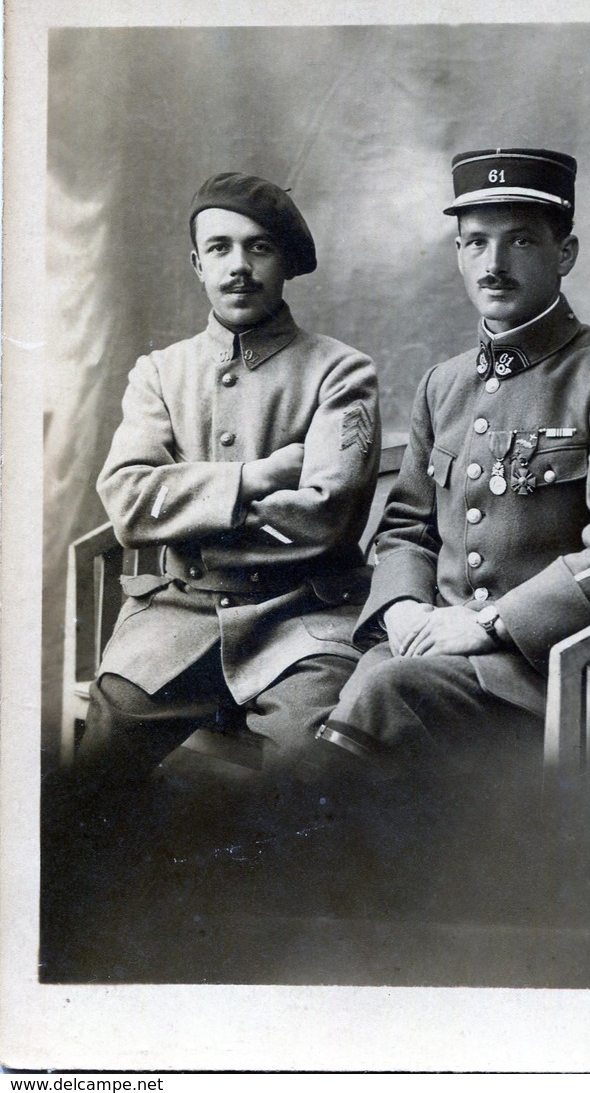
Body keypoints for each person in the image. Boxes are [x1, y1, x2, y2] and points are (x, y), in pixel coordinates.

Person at [314, 147, 590, 784]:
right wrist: (404, 607)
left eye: (519, 241)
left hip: (546, 679)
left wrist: (491, 622)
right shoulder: (445, 384)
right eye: (474, 243)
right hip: (427, 657)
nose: (493, 265)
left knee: (377, 706)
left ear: (563, 254)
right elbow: (406, 528)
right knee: (327, 699)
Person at [57, 171, 381, 818]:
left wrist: (181, 506)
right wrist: (258, 477)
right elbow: (125, 499)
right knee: (89, 785)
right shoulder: (160, 374)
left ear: (284, 261)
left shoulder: (341, 371)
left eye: (259, 248)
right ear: (197, 262)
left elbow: (324, 516)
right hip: (181, 617)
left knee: (307, 784)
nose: (239, 267)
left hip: (304, 622)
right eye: (222, 248)